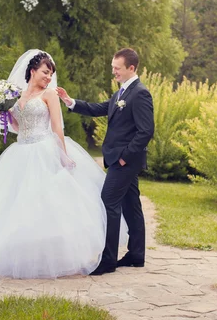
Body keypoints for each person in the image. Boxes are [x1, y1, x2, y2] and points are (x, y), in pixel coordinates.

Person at [0, 49, 112, 279]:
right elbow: (19, 127)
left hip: (44, 149)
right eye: (45, 72)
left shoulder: (50, 95)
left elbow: (57, 127)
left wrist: (62, 154)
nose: (48, 77)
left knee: (47, 205)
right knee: (13, 205)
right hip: (21, 151)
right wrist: (5, 111)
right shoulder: (17, 97)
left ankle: (55, 257)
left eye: (50, 74)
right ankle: (18, 255)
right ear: (32, 71)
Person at [57, 48, 154, 276]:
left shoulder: (140, 93)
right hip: (120, 160)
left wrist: (124, 157)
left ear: (131, 68)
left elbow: (146, 131)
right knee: (131, 205)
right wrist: (71, 102)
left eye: (117, 68)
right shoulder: (122, 92)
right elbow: (101, 108)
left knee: (108, 201)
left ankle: (108, 260)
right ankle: (136, 255)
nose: (114, 72)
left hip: (124, 161)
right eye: (113, 67)